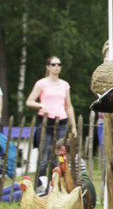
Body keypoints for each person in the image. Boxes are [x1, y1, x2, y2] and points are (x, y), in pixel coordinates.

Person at [25, 56, 75, 188]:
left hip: (62, 121)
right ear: (48, 66)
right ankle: (40, 185)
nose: (56, 67)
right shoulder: (41, 83)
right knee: (44, 155)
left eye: (59, 64)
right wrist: (41, 106)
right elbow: (29, 101)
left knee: (59, 154)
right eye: (53, 64)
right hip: (46, 121)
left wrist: (74, 126)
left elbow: (69, 106)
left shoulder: (65, 85)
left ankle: (56, 184)